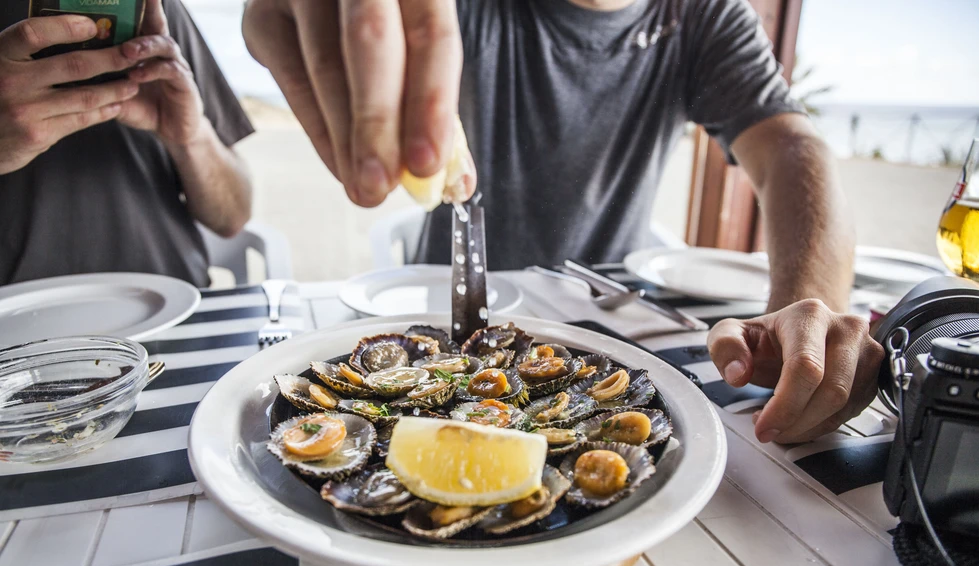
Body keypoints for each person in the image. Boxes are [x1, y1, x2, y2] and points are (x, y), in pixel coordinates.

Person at [240, 0, 885, 444]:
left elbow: (792, 148)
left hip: (616, 327)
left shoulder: (703, 13)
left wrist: (808, 317)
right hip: (450, 326)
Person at [0, 0, 254, 288]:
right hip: (12, 310)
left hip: (175, 300)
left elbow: (232, 216)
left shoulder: (154, 8)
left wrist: (190, 138)